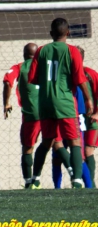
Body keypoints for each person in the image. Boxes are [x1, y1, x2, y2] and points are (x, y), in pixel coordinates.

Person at [28, 17, 93, 189]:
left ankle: (35, 178)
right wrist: (88, 99)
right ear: (68, 33)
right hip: (65, 102)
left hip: (46, 103)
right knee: (75, 142)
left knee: (46, 142)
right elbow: (80, 79)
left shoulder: (41, 51)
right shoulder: (72, 51)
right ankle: (77, 180)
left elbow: (33, 79)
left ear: (51, 34)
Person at [3, 43, 71, 189]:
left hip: (31, 115)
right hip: (51, 111)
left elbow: (8, 81)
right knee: (57, 144)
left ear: (24, 54)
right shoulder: (47, 65)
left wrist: (6, 103)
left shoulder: (19, 67)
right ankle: (75, 177)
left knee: (28, 148)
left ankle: (29, 183)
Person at [77, 46, 98, 188]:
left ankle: (91, 186)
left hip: (92, 119)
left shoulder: (90, 74)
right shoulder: (68, 75)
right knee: (78, 151)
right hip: (77, 117)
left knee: (88, 150)